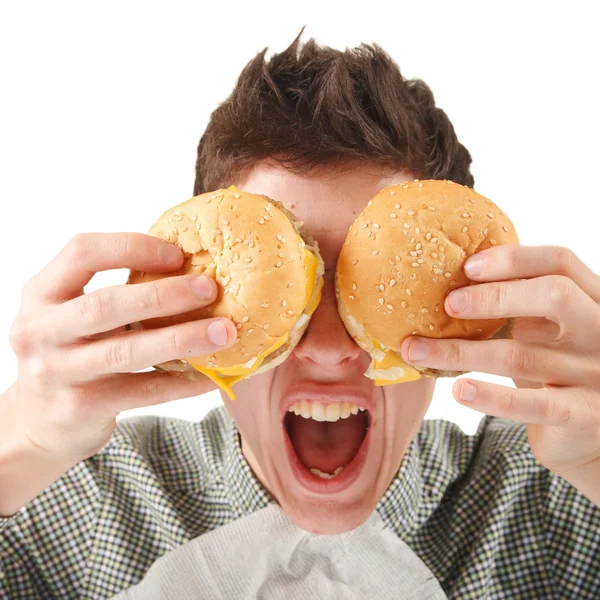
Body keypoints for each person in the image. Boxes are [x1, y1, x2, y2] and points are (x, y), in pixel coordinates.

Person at [1, 33, 599, 599]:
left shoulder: (550, 492)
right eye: (292, 300)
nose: (330, 347)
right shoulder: (82, 494)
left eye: (364, 294)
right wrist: (19, 446)